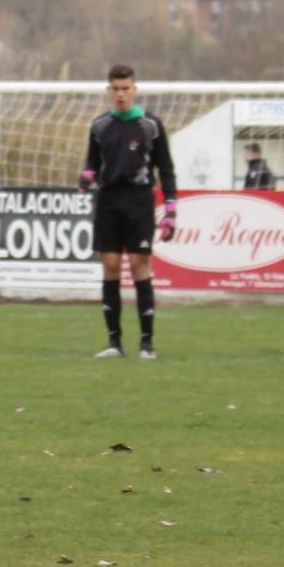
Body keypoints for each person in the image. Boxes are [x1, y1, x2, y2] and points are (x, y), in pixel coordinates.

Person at [79, 63, 178, 360]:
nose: (121, 94)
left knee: (139, 267)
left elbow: (166, 168)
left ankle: (147, 344)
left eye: (126, 88)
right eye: (116, 89)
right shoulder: (100, 126)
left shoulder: (151, 125)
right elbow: (92, 162)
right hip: (108, 200)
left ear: (134, 89)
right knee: (109, 267)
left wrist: (171, 206)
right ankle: (114, 343)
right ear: (108, 91)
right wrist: (86, 177)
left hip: (138, 201)